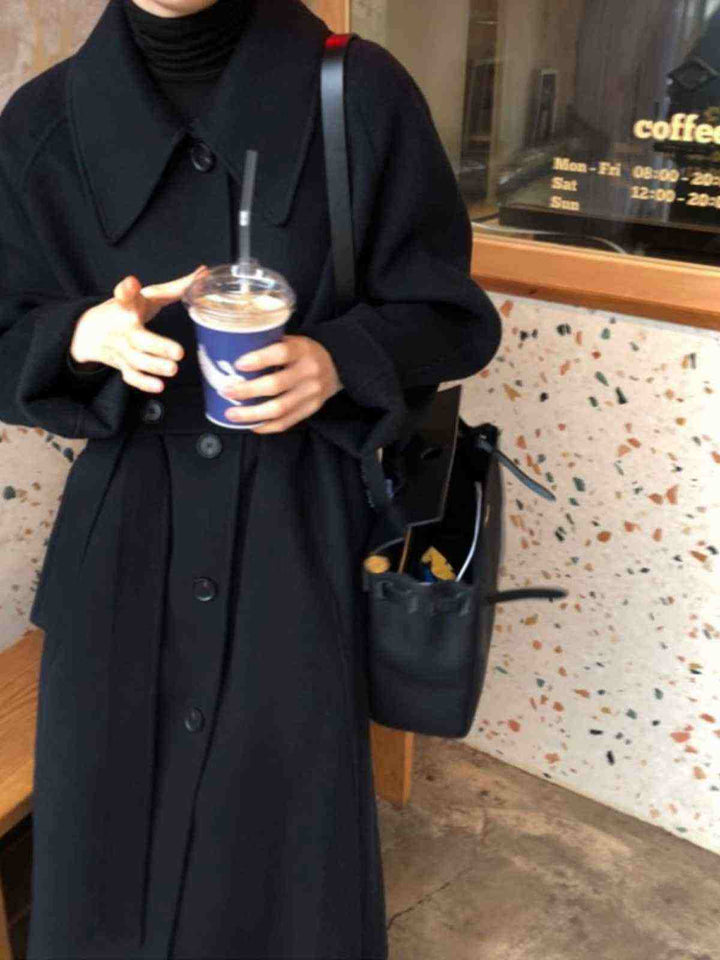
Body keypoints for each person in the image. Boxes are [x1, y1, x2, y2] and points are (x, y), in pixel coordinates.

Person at [0, 0, 502, 956]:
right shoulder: (41, 123)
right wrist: (76, 334)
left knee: (280, 850)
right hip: (123, 547)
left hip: (297, 530)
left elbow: (449, 313)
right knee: (107, 843)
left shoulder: (357, 91)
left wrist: (339, 359)